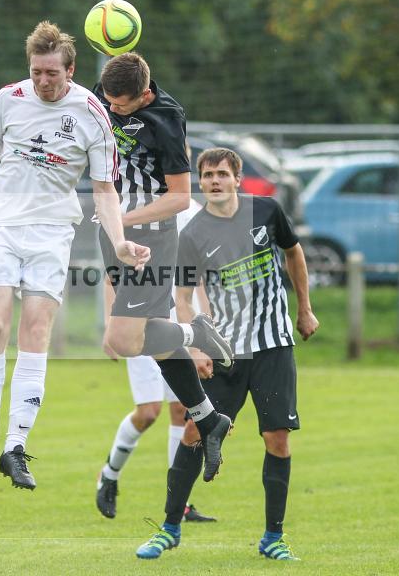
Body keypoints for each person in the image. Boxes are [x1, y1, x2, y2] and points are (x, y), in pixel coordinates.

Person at [0, 21, 149, 491]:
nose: (42, 81)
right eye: (36, 72)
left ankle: (16, 447)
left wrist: (120, 241)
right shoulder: (9, 99)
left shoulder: (91, 113)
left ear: (71, 69)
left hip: (51, 231)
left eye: (51, 73)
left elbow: (104, 190)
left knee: (36, 330)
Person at [134, 148, 319, 561]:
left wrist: (304, 308)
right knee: (194, 431)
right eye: (206, 175)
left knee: (277, 439)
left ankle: (274, 537)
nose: (213, 181)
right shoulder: (194, 233)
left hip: (273, 345)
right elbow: (182, 294)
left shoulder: (267, 211)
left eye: (221, 174)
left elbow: (294, 253)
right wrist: (194, 345)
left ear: (237, 178)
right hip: (225, 351)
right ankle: (169, 528)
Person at [94, 52, 234, 487]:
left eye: (120, 105)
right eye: (108, 101)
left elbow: (178, 197)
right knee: (154, 341)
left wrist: (122, 222)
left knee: (125, 338)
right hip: (114, 233)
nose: (111, 109)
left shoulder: (167, 121)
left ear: (146, 95)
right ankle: (208, 418)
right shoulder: (110, 94)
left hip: (148, 238)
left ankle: (196, 333)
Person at [96, 197, 216, 522]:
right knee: (148, 412)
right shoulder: (128, 202)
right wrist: (111, 323)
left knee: (182, 410)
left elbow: (198, 274)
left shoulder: (190, 209)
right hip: (139, 316)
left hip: (179, 319)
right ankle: (109, 474)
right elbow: (111, 273)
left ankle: (180, 503)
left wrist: (206, 320)